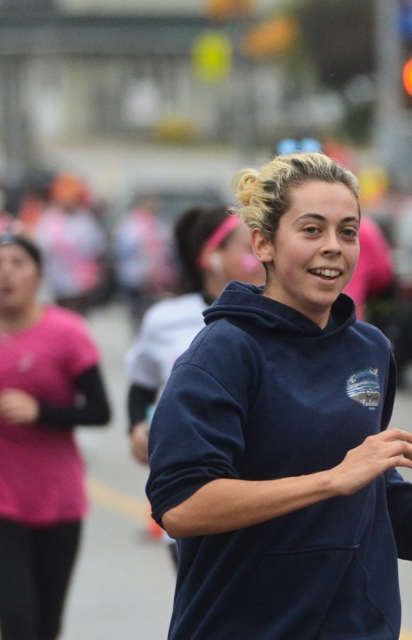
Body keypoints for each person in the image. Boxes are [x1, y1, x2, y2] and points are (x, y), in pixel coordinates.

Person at [144, 151, 412, 639]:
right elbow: (181, 504)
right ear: (263, 244)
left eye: (347, 232)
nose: (333, 247)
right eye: (311, 230)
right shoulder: (223, 353)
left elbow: (369, 491)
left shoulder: (369, 349)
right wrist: (330, 480)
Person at [0, 231, 112, 640]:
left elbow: (100, 412)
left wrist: (40, 412)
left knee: (46, 627)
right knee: (16, 619)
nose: (6, 273)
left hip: (58, 501)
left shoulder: (68, 333)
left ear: (38, 274)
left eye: (17, 263)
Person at [124, 204, 264, 566]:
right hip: (195, 499)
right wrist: (138, 427)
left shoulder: (273, 315)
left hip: (265, 498)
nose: (260, 255)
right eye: (246, 248)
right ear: (212, 257)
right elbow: (141, 385)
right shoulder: (165, 319)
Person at [33, 172, 108, 315]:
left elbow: (96, 249)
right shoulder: (48, 219)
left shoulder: (85, 220)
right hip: (55, 282)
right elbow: (41, 247)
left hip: (81, 284)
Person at [112, 192, 176, 331]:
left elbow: (167, 248)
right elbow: (122, 248)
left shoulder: (159, 223)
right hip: (136, 277)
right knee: (138, 312)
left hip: (157, 279)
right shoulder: (130, 223)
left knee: (153, 312)